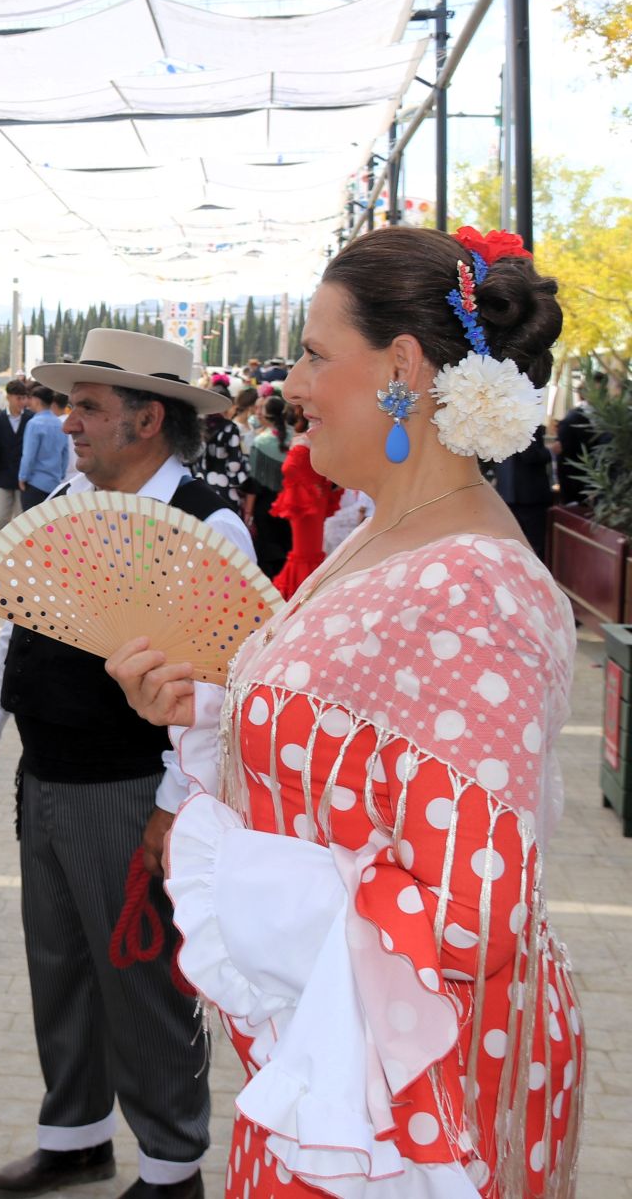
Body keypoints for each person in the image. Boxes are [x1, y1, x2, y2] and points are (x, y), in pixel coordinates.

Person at [106, 225, 580, 1198]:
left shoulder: (471, 589)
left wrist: (234, 875)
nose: (294, 386)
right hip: (355, 1063)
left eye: (319, 356)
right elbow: (360, 751)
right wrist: (210, 710)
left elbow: (471, 913)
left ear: (402, 367)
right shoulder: (386, 534)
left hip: (411, 1109)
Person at [0, 330, 247, 1199]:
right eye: (71, 405)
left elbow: (223, 686)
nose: (67, 423)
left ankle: (172, 1166)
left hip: (131, 791)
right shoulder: (68, 501)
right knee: (60, 964)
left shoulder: (205, 520)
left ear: (148, 418)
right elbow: (18, 623)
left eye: (88, 407)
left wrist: (169, 806)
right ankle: (74, 1136)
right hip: (43, 776)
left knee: (142, 977)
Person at [268, 408, 342, 598]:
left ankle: (303, 595)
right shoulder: (312, 436)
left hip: (310, 501)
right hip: (308, 501)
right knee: (304, 551)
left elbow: (291, 467)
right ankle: (304, 594)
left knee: (306, 552)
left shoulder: (315, 437)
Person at [244, 395, 292, 576]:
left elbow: (254, 482)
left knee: (267, 557)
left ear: (265, 414)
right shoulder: (295, 436)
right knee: (287, 551)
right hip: (289, 504)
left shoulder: (260, 441)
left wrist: (247, 511)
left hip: (265, 507)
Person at [496, 424, 555, 559]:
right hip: (529, 494)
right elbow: (530, 455)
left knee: (513, 542)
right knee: (534, 544)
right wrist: (551, 452)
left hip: (508, 492)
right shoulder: (527, 422)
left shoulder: (501, 420)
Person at [0, 378, 33, 530]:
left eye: (24, 398)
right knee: (0, 519)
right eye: (18, 398)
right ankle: (1, 552)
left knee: (23, 522)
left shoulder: (31, 419)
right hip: (2, 477)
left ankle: (20, 553)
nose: (22, 402)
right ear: (8, 397)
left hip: (26, 478)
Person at [17, 381, 70, 510]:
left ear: (36, 400)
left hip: (35, 483)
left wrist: (22, 477)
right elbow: (65, 453)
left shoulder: (34, 423)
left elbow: (29, 455)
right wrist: (61, 474)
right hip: (54, 483)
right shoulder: (59, 424)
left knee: (31, 526)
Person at [192, 386, 248, 503]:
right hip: (223, 488)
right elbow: (234, 464)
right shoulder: (230, 428)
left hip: (200, 483)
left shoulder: (198, 424)